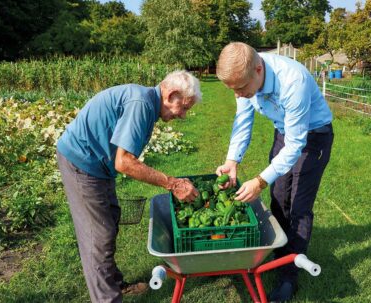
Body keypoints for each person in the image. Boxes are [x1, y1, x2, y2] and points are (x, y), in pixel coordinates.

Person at [56, 70, 201, 303]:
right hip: (82, 163)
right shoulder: (141, 104)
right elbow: (124, 162)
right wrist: (172, 183)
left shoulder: (148, 103)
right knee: (98, 238)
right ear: (171, 94)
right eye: (183, 107)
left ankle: (116, 284)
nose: (183, 115)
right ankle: (107, 299)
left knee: (110, 221)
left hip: (99, 165)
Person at [215, 42, 334, 302]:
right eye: (233, 89)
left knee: (299, 206)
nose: (238, 95)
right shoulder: (245, 78)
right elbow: (243, 120)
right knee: (279, 199)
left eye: (241, 88)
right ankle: (280, 259)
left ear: (259, 70)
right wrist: (232, 160)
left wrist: (259, 179)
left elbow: (296, 145)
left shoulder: (293, 81)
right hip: (284, 132)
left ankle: (290, 276)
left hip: (312, 138)